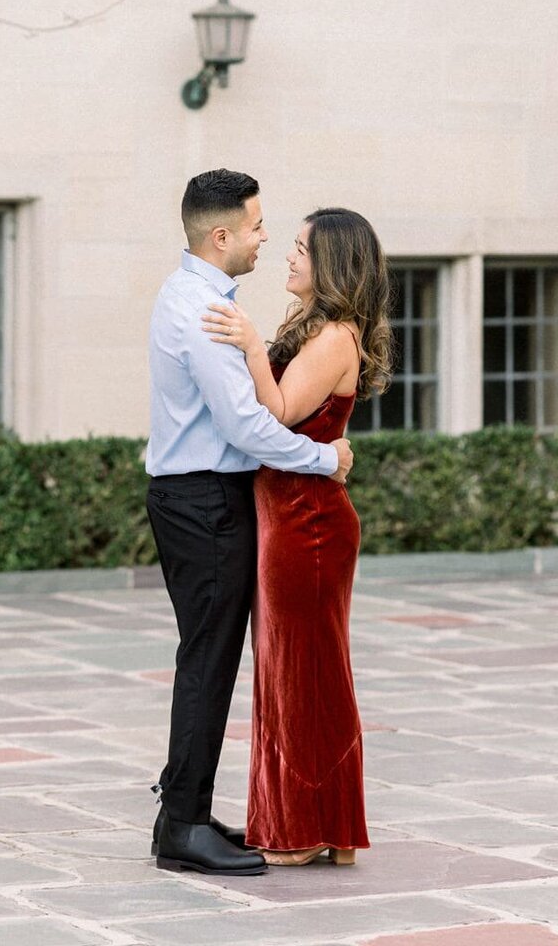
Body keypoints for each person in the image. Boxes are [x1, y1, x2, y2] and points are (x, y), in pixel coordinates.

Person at [146, 169, 354, 878]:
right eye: (259, 227)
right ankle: (182, 826)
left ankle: (186, 813)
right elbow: (247, 425)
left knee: (209, 658)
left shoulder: (197, 299)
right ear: (222, 234)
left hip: (201, 499)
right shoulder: (202, 310)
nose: (267, 239)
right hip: (204, 500)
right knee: (207, 661)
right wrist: (326, 460)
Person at [202, 206, 392, 867]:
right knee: (294, 673)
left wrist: (250, 343)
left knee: (301, 676)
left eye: (302, 250)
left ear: (333, 265)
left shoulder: (337, 334)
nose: (287, 257)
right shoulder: (319, 328)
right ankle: (324, 826)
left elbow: (279, 413)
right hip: (288, 518)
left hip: (307, 525)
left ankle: (305, 829)